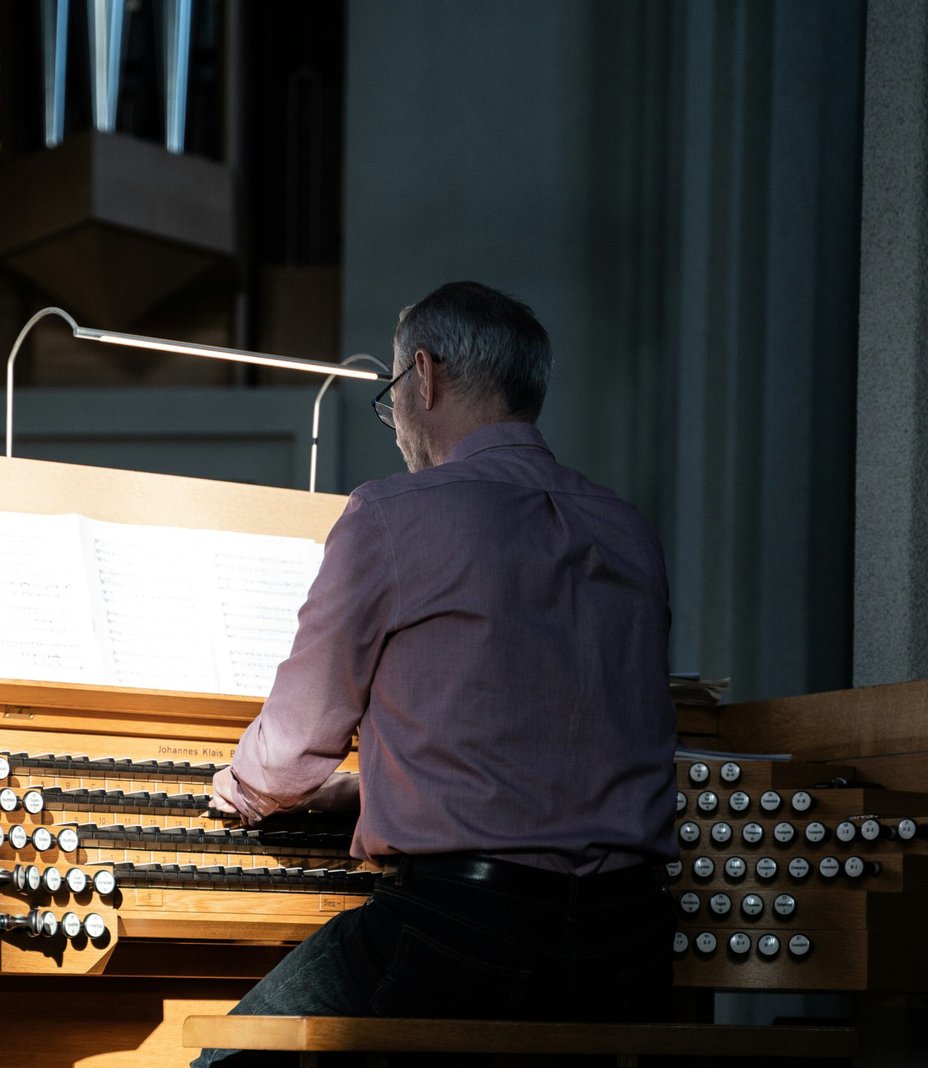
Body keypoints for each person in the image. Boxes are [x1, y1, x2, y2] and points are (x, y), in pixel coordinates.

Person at [195, 281, 678, 1067]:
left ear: (423, 376)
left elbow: (288, 753)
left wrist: (244, 789)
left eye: (393, 394)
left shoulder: (393, 515)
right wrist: (376, 785)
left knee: (225, 1057)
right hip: (628, 944)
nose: (396, 428)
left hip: (466, 935)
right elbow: (554, 739)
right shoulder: (628, 529)